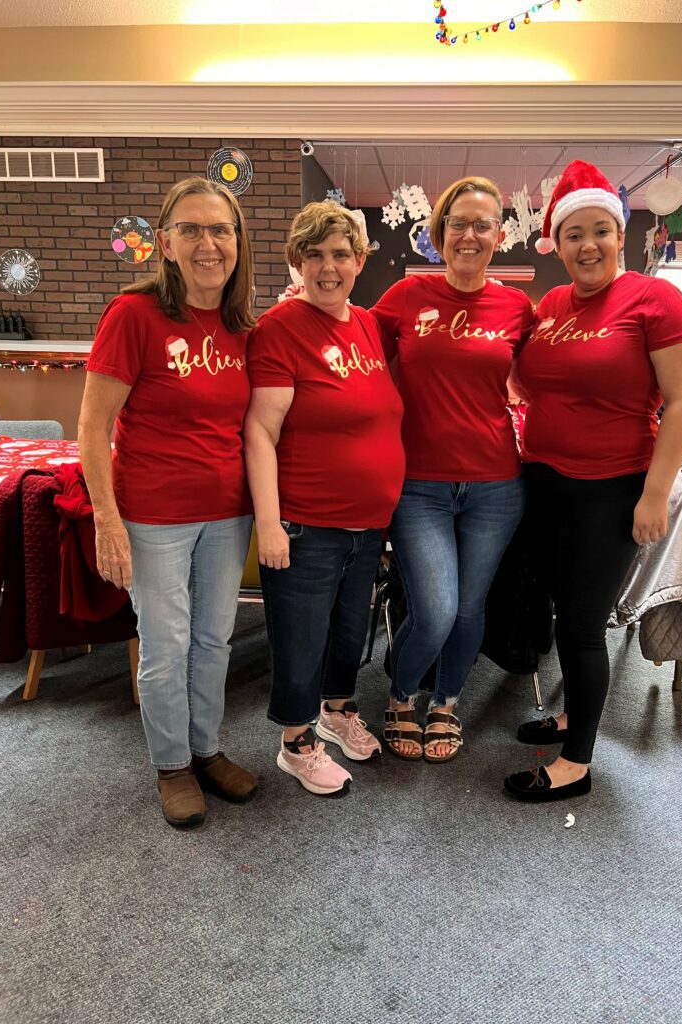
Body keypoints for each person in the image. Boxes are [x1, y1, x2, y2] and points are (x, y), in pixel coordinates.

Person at [504, 159, 682, 802]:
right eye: (572, 235)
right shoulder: (554, 303)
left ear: (620, 235)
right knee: (560, 612)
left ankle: (576, 763)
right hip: (545, 480)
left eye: (600, 232)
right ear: (555, 243)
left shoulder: (655, 299)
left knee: (584, 625)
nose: (587, 246)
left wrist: (653, 494)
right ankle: (571, 717)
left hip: (612, 486)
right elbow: (530, 381)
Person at [78, 177, 257, 827]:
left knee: (215, 640)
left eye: (221, 229)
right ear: (166, 243)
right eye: (192, 229)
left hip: (227, 513)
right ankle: (173, 765)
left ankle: (207, 750)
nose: (208, 242)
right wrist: (107, 519)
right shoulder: (134, 315)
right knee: (166, 643)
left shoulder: (242, 325)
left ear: (237, 241)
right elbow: (93, 426)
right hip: (154, 516)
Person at [371, 177, 534, 762]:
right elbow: (349, 351)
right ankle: (399, 693)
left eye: (482, 224)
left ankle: (445, 702)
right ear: (439, 234)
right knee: (435, 609)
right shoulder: (404, 298)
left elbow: (556, 377)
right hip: (419, 486)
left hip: (496, 484)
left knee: (470, 609)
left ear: (499, 234)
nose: (469, 235)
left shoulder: (518, 306)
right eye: (457, 224)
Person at [244, 201, 405, 797]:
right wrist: (269, 523)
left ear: (360, 260)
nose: (328, 266)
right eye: (314, 254)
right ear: (297, 261)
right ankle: (296, 742)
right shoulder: (281, 329)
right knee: (301, 634)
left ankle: (336, 711)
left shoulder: (364, 323)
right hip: (306, 520)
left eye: (341, 253)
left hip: (366, 522)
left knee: (347, 631)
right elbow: (260, 430)